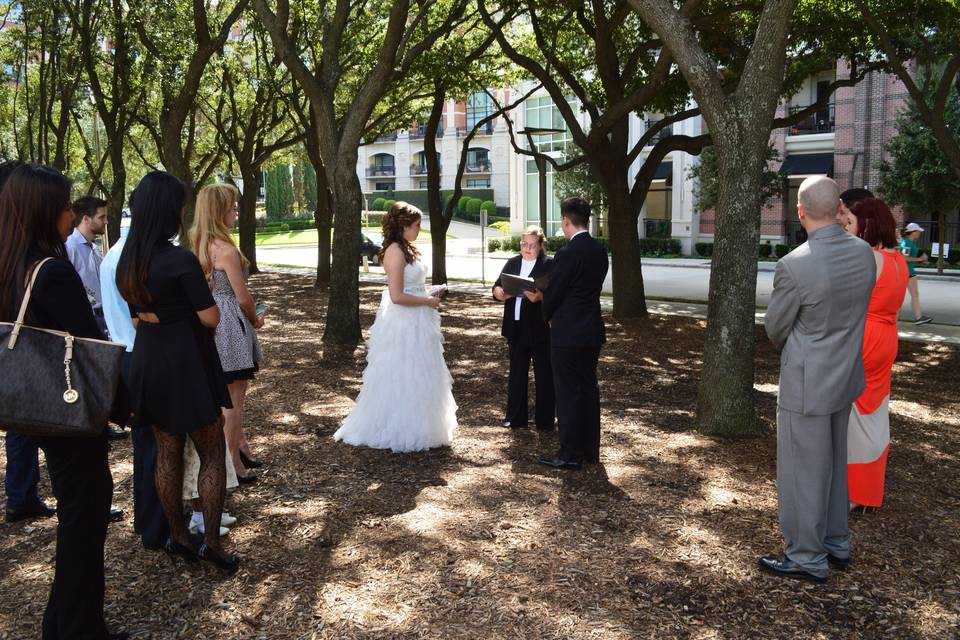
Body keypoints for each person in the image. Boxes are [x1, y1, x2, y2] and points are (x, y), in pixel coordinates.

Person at [0, 163, 129, 639]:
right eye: (62, 206)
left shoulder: (10, 263)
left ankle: (64, 622)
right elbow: (90, 341)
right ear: (43, 211)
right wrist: (125, 403)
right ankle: (78, 626)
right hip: (68, 408)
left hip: (32, 404)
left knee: (80, 510)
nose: (67, 214)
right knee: (85, 514)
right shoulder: (51, 271)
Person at [117, 171, 239, 573]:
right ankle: (212, 544)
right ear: (171, 211)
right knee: (211, 452)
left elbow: (138, 320)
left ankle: (178, 535)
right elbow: (211, 317)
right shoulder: (179, 260)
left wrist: (162, 314)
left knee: (166, 452)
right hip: (187, 362)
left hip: (150, 361)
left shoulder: (128, 263)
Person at [760, 175, 876, 583]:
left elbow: (775, 327)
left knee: (803, 470)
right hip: (845, 375)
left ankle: (808, 555)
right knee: (834, 466)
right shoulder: (864, 254)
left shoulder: (794, 264)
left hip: (807, 381)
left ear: (800, 210)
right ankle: (836, 542)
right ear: (839, 206)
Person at [333, 202, 458, 452]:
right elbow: (397, 296)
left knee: (421, 372)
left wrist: (429, 292)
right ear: (403, 226)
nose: (419, 229)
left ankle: (421, 423)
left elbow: (411, 287)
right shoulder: (394, 252)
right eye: (416, 225)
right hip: (403, 322)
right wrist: (428, 300)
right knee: (403, 372)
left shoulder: (407, 249)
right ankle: (400, 426)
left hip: (419, 319)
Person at [101, 220, 170, 549]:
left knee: (146, 446)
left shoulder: (112, 255)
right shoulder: (129, 259)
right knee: (156, 447)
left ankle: (148, 520)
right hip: (140, 355)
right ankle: (157, 526)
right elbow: (139, 320)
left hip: (127, 357)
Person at [189, 183, 264, 482]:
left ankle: (240, 446)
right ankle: (231, 463)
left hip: (209, 323)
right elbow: (242, 297)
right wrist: (255, 319)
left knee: (225, 395)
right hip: (230, 323)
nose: (236, 211)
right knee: (233, 399)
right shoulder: (226, 249)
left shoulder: (197, 244)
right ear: (220, 212)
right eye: (232, 207)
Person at [844, 198, 909, 511]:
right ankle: (867, 487)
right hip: (887, 338)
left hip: (865, 337)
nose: (849, 231)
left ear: (866, 226)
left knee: (856, 414)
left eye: (852, 225)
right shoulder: (898, 260)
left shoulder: (868, 258)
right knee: (875, 412)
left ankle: (854, 493)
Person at [0, 160, 55, 525]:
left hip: (16, 363)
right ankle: (22, 495)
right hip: (28, 363)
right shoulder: (33, 263)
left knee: (21, 427)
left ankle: (21, 495)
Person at [538, 197, 608, 471]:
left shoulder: (568, 253)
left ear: (566, 220)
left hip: (568, 331)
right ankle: (591, 449)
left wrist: (546, 311)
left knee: (567, 393)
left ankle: (569, 453)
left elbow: (554, 291)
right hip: (591, 328)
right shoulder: (599, 251)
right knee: (588, 389)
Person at [68, 195, 128, 441]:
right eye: (101, 217)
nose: (105, 222)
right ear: (86, 218)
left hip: (103, 317)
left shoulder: (93, 248)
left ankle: (102, 422)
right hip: (88, 317)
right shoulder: (70, 248)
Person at [492, 226, 555, 430]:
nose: (527, 249)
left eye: (532, 246)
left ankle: (545, 421)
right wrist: (499, 293)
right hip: (515, 326)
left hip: (539, 328)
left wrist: (541, 296)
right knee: (517, 374)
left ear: (540, 246)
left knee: (544, 375)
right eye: (524, 244)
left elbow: (557, 293)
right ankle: (516, 418)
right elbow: (496, 286)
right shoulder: (513, 262)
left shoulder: (548, 264)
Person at [899, 222, 932, 325]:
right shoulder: (907, 243)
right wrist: (920, 259)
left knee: (914, 295)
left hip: (908, 272)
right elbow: (903, 258)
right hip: (906, 273)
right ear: (913, 232)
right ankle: (894, 319)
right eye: (918, 231)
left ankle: (918, 317)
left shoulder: (911, 243)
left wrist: (921, 257)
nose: (919, 233)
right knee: (902, 296)